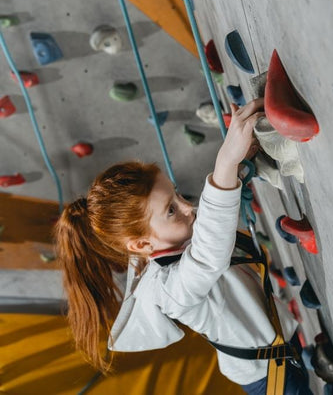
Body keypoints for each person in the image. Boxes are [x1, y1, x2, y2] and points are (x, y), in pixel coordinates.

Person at [55, 99, 313, 394]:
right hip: (269, 377)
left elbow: (208, 226)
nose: (188, 208)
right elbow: (207, 255)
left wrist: (236, 169)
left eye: (177, 195)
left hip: (279, 351)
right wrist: (225, 163)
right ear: (141, 243)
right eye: (170, 210)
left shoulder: (166, 244)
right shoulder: (166, 289)